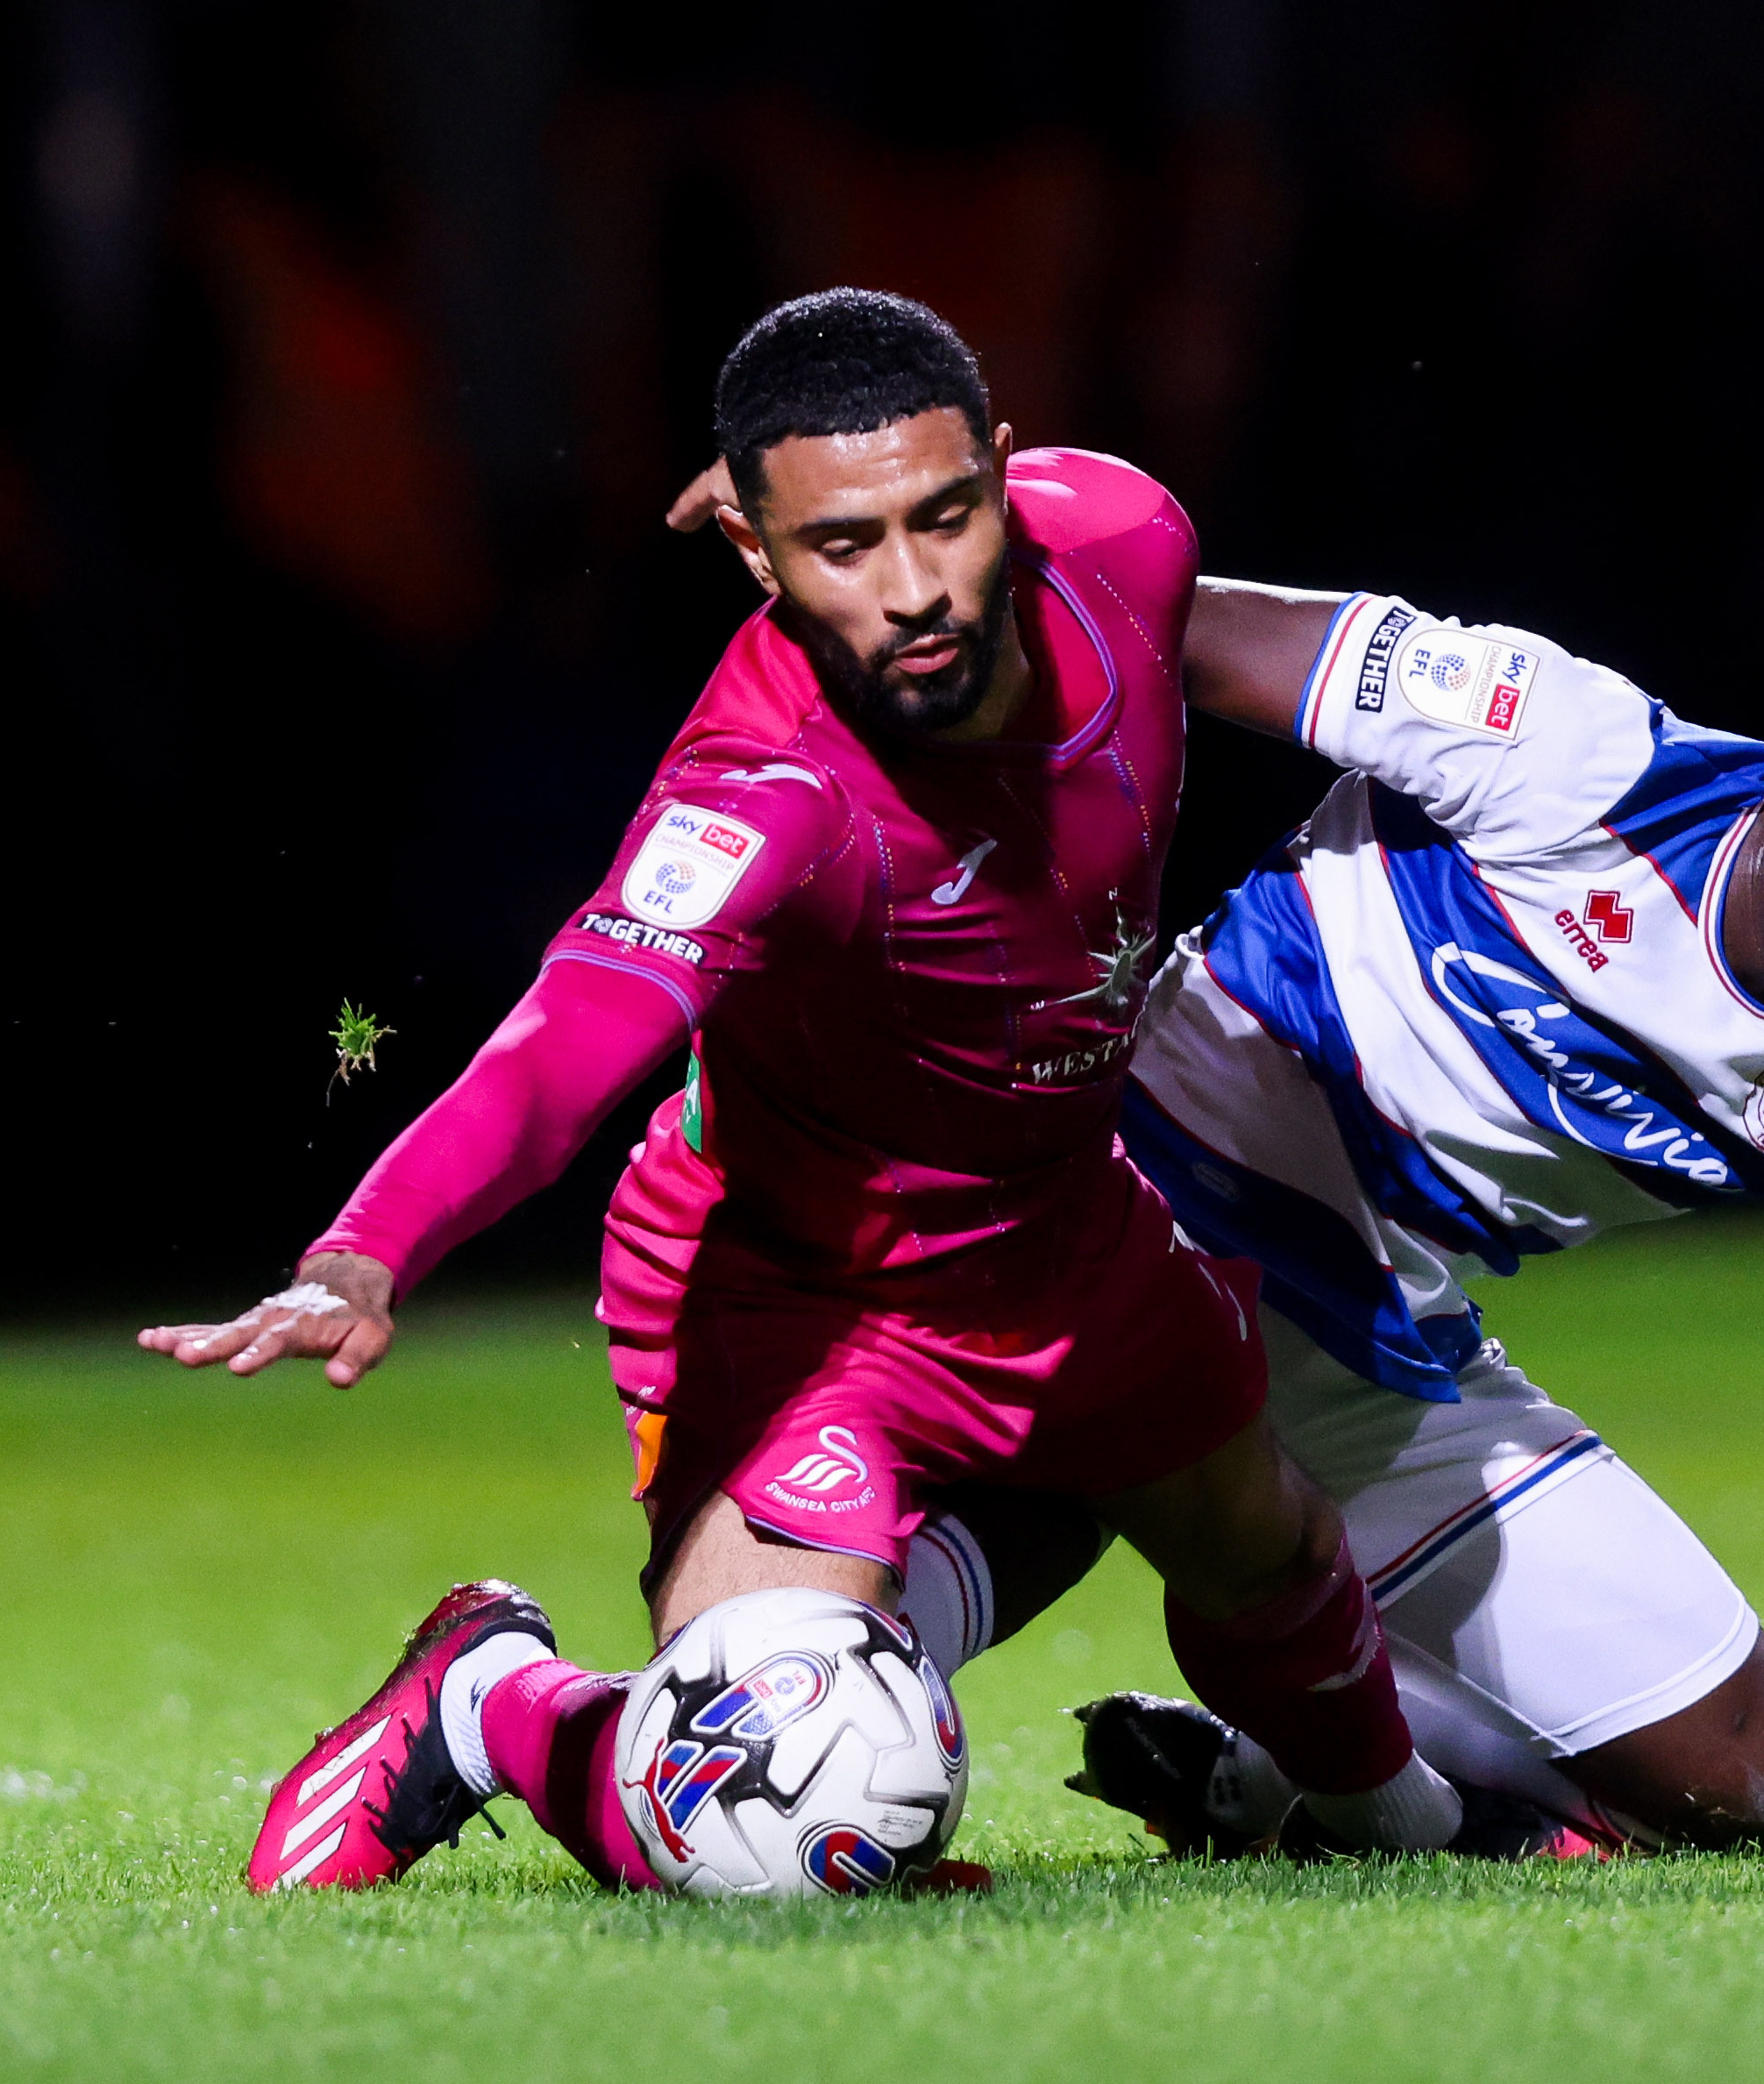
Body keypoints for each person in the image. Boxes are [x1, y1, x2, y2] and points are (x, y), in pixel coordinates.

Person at [622, 497, 1764, 1857]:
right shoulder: (1566, 751)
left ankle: (1280, 1774)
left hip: (1375, 1352)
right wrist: (851, 552)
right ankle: (573, 1712)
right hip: (1130, 1211)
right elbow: (1143, 623)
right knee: (917, 1604)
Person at [140, 290, 1477, 1895]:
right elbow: (572, 1031)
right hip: (799, 1282)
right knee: (752, 1817)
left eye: (945, 514)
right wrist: (371, 1245)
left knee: (1260, 1542)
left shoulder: (1126, 531)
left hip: (1061, 1226)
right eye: (842, 547)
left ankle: (1403, 1823)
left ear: (1003, 467)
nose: (915, 586)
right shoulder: (764, 795)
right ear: (757, 557)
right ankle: (493, 1698)